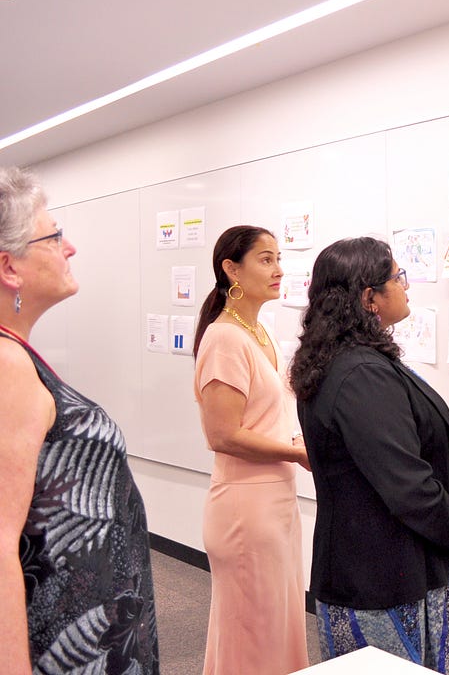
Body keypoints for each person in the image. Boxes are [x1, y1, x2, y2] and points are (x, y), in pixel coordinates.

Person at [290, 237, 449, 674]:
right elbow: (407, 485)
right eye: (398, 277)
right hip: (380, 580)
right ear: (368, 297)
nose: (406, 287)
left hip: (386, 569)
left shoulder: (347, 361)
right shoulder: (359, 375)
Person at [0, 166, 159, 674]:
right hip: (67, 644)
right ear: (9, 267)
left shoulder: (17, 358)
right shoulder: (7, 366)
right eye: (55, 237)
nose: (70, 249)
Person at [193, 225, 309, 674]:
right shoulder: (225, 338)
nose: (279, 270)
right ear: (231, 269)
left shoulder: (261, 334)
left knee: (275, 629)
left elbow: (265, 420)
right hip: (246, 507)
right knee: (252, 635)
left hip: (274, 499)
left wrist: (295, 443)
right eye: (265, 259)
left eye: (278, 258)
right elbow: (221, 435)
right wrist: (295, 453)